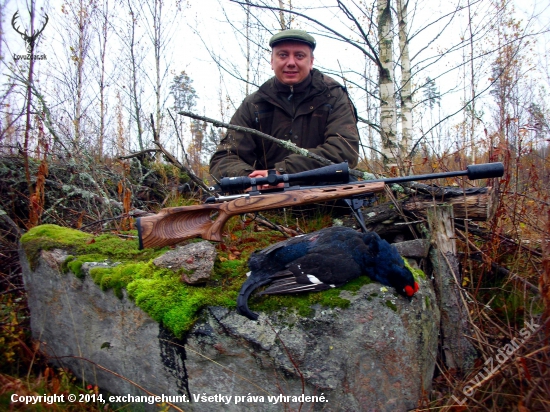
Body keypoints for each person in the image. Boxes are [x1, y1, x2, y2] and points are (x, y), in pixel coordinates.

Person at [209, 29, 360, 184]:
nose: (291, 63)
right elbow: (224, 159)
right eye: (283, 55)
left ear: (311, 61)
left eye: (299, 56)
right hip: (266, 195)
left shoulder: (333, 96)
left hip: (322, 189)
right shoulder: (254, 104)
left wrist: (282, 173)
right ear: (272, 61)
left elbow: (345, 151)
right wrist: (251, 179)